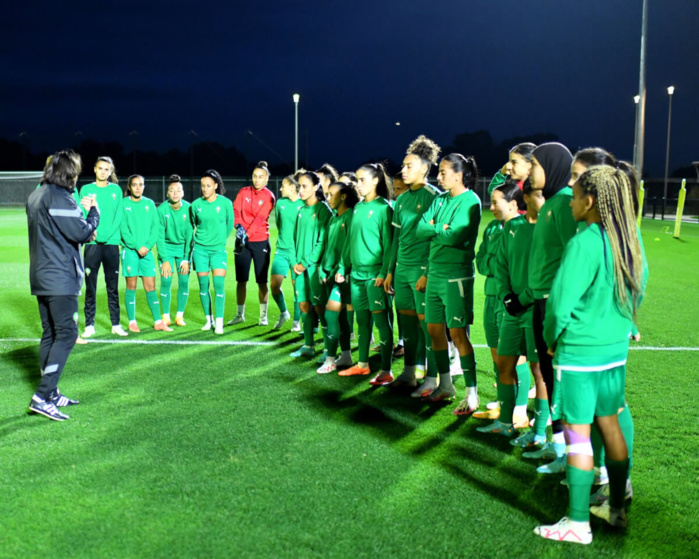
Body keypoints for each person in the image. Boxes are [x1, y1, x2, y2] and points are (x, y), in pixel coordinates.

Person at [534, 165, 647, 544]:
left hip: (581, 351)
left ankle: (578, 523)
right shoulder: (629, 239)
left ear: (591, 200)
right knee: (610, 423)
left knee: (578, 433)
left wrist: (551, 339)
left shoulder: (584, 242)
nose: (570, 200)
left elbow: (559, 304)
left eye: (576, 192)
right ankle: (615, 508)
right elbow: (639, 289)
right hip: (615, 350)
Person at [26, 150, 100, 421]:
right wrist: (93, 212)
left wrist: (78, 212)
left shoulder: (36, 195)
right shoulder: (60, 196)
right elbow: (81, 232)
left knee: (50, 334)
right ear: (68, 173)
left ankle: (52, 392)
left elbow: (59, 229)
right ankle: (42, 396)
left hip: (41, 275)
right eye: (76, 172)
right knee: (67, 334)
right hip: (60, 277)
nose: (77, 176)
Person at [522, 142, 576, 475]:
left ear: (554, 166)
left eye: (536, 165)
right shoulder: (552, 203)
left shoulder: (567, 203)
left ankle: (576, 457)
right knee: (553, 382)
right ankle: (561, 448)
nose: (531, 172)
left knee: (563, 384)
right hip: (541, 302)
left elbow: (575, 257)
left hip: (556, 304)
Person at [415, 154, 482, 404]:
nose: (439, 176)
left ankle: (472, 393)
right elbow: (421, 229)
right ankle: (445, 385)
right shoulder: (440, 200)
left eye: (443, 172)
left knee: (458, 334)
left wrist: (438, 230)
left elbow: (455, 236)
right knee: (434, 330)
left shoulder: (471, 201)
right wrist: (439, 229)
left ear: (459, 175)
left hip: (457, 274)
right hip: (435, 273)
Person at [475, 179, 534, 435]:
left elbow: (507, 266)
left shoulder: (521, 228)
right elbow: (482, 262)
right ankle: (504, 408)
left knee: (516, 357)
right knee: (499, 359)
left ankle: (520, 412)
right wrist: (494, 267)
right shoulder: (491, 228)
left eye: (495, 201)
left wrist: (496, 268)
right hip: (491, 296)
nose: (491, 206)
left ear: (512, 204)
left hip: (509, 300)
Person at [384, 136, 441, 393]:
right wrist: (389, 271)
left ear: (424, 169)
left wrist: (428, 272)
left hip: (421, 271)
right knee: (406, 324)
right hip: (402, 271)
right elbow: (396, 238)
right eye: (404, 165)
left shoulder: (435, 198)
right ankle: (409, 373)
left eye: (409, 166)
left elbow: (437, 239)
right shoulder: (402, 199)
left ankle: (433, 378)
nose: (403, 170)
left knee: (427, 326)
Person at [336, 163, 394, 385]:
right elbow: (350, 243)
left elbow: (389, 246)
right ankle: (362, 365)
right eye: (357, 180)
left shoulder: (384, 208)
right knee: (361, 322)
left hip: (375, 277)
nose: (357, 184)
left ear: (375, 181)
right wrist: (343, 268)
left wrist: (384, 272)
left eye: (362, 180)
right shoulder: (358, 208)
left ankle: (387, 370)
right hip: (357, 276)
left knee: (382, 323)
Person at [79, 156, 128, 337]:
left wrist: (107, 235)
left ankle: (115, 324)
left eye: (107, 169)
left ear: (111, 171)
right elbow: (83, 212)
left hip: (111, 244)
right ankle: (89, 325)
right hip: (92, 244)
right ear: (94, 169)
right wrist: (91, 231)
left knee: (112, 287)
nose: (103, 172)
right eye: (100, 168)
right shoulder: (86, 189)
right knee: (90, 286)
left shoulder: (115, 190)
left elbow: (119, 216)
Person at [289, 171, 333, 359]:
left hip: (314, 269)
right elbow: (292, 240)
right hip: (298, 269)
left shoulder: (323, 210)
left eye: (305, 186)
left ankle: (327, 350)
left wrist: (305, 263)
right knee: (304, 306)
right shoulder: (300, 210)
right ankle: (308, 346)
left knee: (320, 308)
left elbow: (323, 242)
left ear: (316, 187)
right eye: (299, 186)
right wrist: (294, 263)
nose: (301, 190)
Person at [316, 181, 358, 373]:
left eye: (332, 194)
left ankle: (331, 359)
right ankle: (346, 356)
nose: (328, 198)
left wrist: (336, 271)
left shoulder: (351, 217)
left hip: (343, 276)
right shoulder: (334, 218)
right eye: (327, 194)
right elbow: (327, 247)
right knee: (340, 318)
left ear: (343, 196)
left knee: (330, 314)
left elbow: (349, 250)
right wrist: (323, 269)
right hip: (330, 275)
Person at [120, 175, 172, 332]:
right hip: (130, 251)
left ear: (144, 186)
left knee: (150, 287)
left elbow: (155, 228)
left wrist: (147, 247)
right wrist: (137, 246)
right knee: (132, 285)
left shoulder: (149, 204)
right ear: (129, 187)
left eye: (140, 184)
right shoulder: (123, 204)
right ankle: (132, 322)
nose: (138, 187)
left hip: (147, 253)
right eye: (134, 185)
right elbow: (123, 229)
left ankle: (158, 322)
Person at [229, 162, 276, 326]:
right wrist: (239, 227)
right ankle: (239, 315)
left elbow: (260, 219)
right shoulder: (243, 192)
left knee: (261, 282)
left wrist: (246, 235)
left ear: (267, 179)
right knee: (241, 280)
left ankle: (263, 317)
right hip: (242, 242)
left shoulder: (269, 196)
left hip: (260, 241)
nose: (257, 179)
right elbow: (236, 210)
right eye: (255, 176)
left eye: (261, 177)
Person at [190, 169, 234, 334]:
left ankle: (220, 323)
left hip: (218, 251)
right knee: (203, 285)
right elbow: (193, 225)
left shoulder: (225, 203)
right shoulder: (195, 205)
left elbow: (230, 225)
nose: (205, 189)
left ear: (216, 185)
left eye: (208, 186)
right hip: (200, 251)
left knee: (219, 285)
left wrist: (220, 240)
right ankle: (209, 320)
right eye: (203, 186)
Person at [157, 174, 193, 327]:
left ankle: (179, 316)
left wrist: (186, 258)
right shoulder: (161, 210)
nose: (175, 193)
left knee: (184, 281)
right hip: (167, 249)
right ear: (167, 193)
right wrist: (165, 260)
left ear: (183, 193)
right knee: (166, 281)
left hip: (183, 250)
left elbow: (190, 236)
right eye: (172, 190)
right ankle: (166, 316)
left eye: (178, 190)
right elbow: (159, 237)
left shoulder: (189, 209)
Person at [269, 174, 305, 330]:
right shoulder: (280, 203)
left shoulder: (304, 205)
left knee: (297, 288)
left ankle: (297, 321)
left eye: (283, 185)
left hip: (297, 253)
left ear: (292, 187)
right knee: (274, 285)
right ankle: (284, 312)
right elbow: (279, 223)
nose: (280, 188)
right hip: (281, 251)